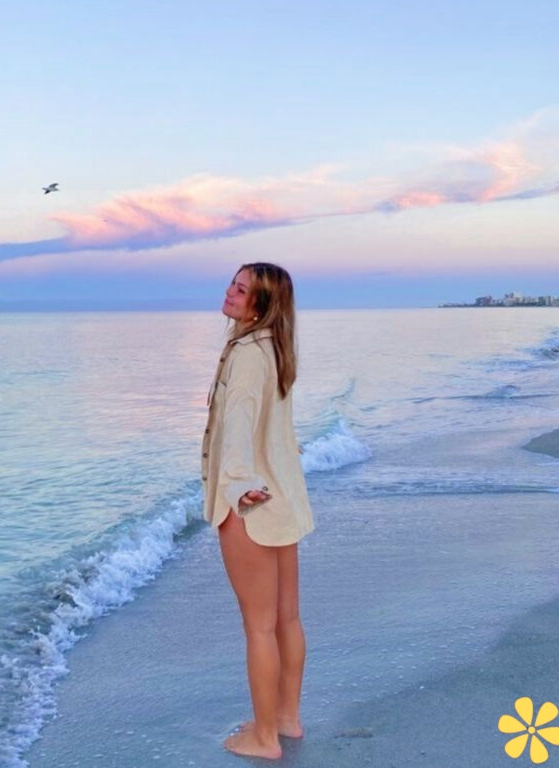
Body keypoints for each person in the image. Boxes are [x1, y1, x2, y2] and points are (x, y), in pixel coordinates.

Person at [201, 262, 315, 759]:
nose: (230, 292)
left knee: (260, 627)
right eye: (233, 282)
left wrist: (240, 486)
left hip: (250, 503)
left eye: (242, 289)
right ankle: (285, 718)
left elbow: (241, 420)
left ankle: (265, 737)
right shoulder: (276, 348)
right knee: (286, 619)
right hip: (281, 497)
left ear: (261, 305)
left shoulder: (248, 353)